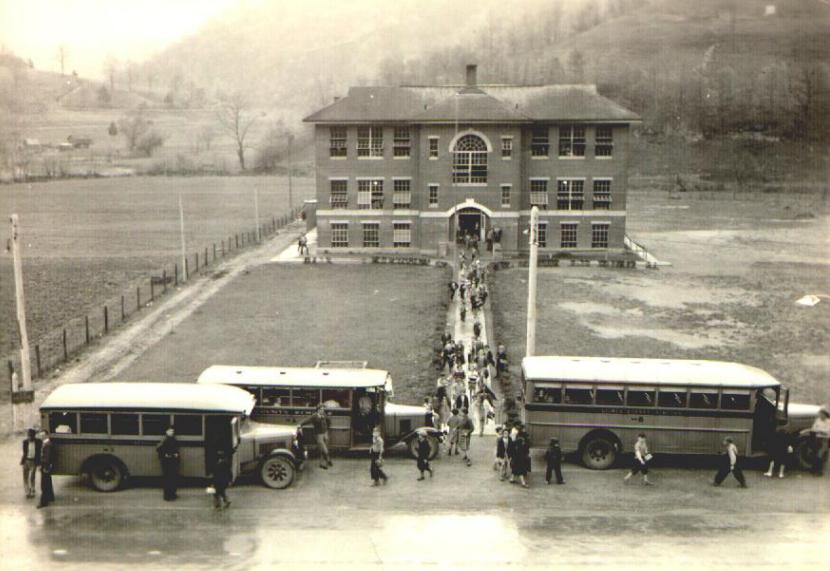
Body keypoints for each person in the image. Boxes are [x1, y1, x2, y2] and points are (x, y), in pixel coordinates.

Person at [301, 404, 333, 469]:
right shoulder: (314, 416)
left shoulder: (324, 414)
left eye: (323, 409)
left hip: (325, 433)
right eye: (321, 409)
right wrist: (300, 424)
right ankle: (327, 462)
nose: (322, 410)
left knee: (323, 449)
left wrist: (327, 428)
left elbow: (328, 421)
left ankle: (323, 462)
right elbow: (307, 420)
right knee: (324, 449)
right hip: (319, 435)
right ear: (318, 410)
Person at [156, 427, 180, 501]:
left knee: (173, 478)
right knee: (167, 479)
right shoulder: (164, 440)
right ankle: (167, 496)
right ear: (166, 432)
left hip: (173, 461)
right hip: (166, 462)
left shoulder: (174, 440)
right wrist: (165, 454)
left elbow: (177, 449)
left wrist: (176, 454)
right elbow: (158, 449)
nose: (171, 432)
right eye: (170, 431)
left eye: (172, 431)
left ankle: (172, 494)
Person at [806, 407, 830, 475]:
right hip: (817, 438)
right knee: (815, 453)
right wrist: (820, 430)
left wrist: (819, 430)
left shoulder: (828, 421)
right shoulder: (817, 420)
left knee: (820, 454)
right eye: (820, 414)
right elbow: (813, 428)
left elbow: (827, 431)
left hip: (825, 439)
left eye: (822, 414)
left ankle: (819, 471)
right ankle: (814, 469)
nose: (821, 416)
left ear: (825, 415)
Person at [20, 428, 41, 499]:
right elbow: (24, 452)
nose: (29, 437)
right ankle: (27, 491)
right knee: (25, 477)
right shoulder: (25, 442)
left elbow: (39, 453)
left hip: (34, 461)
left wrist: (39, 464)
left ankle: (32, 490)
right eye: (28, 436)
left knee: (32, 477)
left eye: (31, 436)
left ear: (34, 436)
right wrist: (23, 461)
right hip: (26, 461)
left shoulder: (38, 442)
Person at [37, 429, 55, 508]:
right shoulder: (47, 443)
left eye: (43, 435)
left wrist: (43, 466)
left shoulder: (47, 445)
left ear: (46, 435)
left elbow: (46, 458)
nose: (41, 436)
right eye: (41, 435)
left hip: (45, 466)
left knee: (44, 484)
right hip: (47, 466)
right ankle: (50, 497)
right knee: (48, 482)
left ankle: (43, 502)